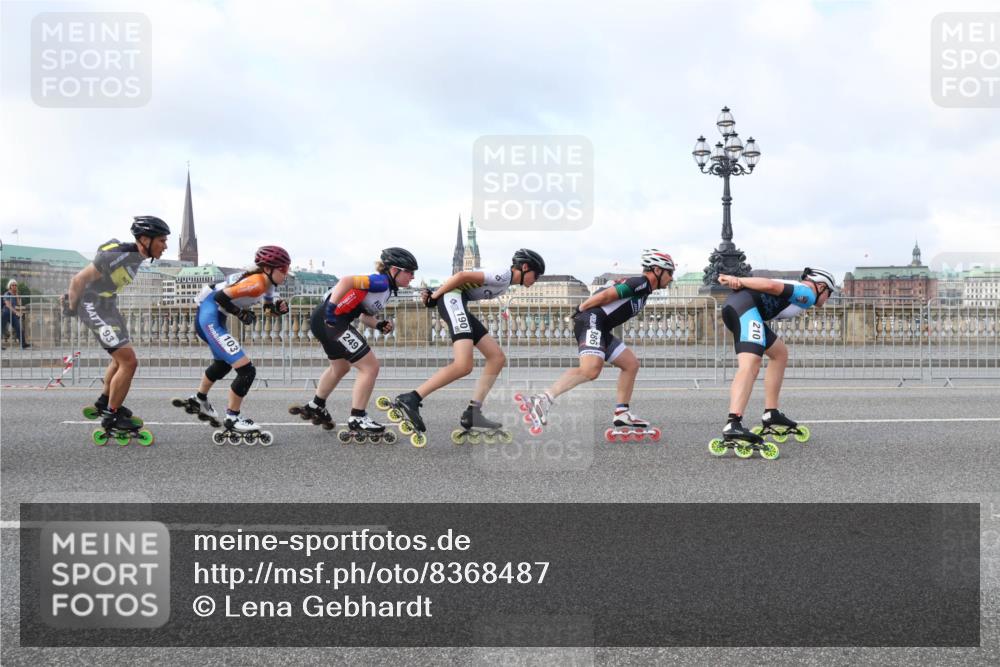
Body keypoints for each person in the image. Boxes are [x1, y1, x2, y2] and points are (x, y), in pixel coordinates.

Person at [393, 249, 545, 443]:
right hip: (452, 299)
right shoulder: (504, 274)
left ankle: (473, 411)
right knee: (463, 365)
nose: (536, 279)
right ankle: (412, 398)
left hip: (458, 302)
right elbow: (462, 275)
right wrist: (435, 296)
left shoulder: (506, 285)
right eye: (536, 275)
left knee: (497, 358)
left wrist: (435, 296)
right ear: (525, 267)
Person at [522, 249, 675, 437]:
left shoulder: (645, 290)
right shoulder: (640, 283)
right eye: (670, 273)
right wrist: (581, 308)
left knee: (630, 364)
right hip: (593, 320)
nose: (672, 278)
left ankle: (622, 412)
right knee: (590, 370)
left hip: (601, 327)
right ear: (657, 270)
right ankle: (543, 399)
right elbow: (605, 296)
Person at [290, 247, 417, 444]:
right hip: (331, 320)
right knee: (370, 367)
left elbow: (363, 315)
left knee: (340, 367)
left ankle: (316, 405)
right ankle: (358, 417)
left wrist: (378, 324)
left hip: (326, 320)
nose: (412, 277)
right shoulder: (380, 281)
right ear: (394, 270)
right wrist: (332, 309)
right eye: (409, 272)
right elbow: (346, 281)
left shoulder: (387, 289)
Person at [62, 216, 171, 432]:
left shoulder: (137, 257)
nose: (165, 246)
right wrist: (72, 309)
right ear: (144, 240)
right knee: (129, 362)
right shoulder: (119, 255)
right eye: (161, 240)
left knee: (120, 358)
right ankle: (112, 417)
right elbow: (78, 280)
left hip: (108, 306)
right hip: (94, 306)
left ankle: (106, 401)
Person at [175, 246, 291, 441]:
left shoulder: (268, 284)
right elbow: (221, 297)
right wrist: (240, 313)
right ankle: (233, 417)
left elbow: (268, 310)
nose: (286, 274)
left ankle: (199, 400)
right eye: (284, 270)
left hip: (214, 317)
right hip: (210, 317)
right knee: (247, 371)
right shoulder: (257, 282)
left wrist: (278, 309)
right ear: (269, 269)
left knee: (222, 364)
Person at [716, 267, 836, 443]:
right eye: (829, 293)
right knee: (750, 365)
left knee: (780, 354)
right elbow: (771, 285)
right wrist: (738, 280)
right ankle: (733, 423)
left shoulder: (801, 293)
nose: (828, 298)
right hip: (744, 308)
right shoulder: (807, 293)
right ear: (821, 286)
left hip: (744, 308)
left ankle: (771, 412)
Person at [1, 279, 30, 349]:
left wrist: (17, 296)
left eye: (15, 285)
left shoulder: (15, 294)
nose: (14, 286)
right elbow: (8, 305)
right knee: (1, 329)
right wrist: (16, 312)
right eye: (13, 285)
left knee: (19, 328)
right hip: (6, 313)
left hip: (12, 314)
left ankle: (23, 344)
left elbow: (18, 304)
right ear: (10, 286)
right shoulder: (7, 294)